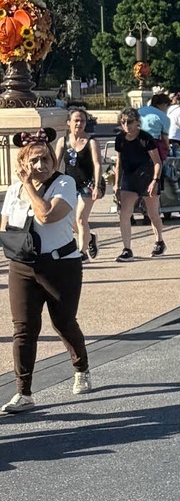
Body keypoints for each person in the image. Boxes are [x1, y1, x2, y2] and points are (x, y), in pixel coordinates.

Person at [2, 128, 91, 413]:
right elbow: (5, 227)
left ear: (54, 161)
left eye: (46, 160)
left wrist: (29, 187)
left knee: (63, 322)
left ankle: (81, 369)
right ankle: (24, 391)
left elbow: (47, 215)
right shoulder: (12, 190)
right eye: (35, 161)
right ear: (22, 164)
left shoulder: (63, 183)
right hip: (23, 266)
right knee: (24, 329)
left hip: (60, 266)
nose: (41, 166)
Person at [111, 108, 166, 260]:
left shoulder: (146, 138)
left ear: (137, 122)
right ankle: (127, 249)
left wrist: (155, 181)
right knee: (125, 214)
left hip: (147, 177)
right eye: (122, 122)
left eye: (129, 122)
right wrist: (116, 184)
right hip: (129, 178)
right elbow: (119, 162)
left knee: (152, 214)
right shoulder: (120, 139)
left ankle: (159, 240)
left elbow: (157, 162)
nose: (126, 125)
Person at [61, 107, 105, 260]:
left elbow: (98, 164)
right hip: (70, 184)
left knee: (81, 218)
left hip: (89, 183)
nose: (79, 124)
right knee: (71, 220)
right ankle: (90, 237)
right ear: (68, 123)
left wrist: (97, 185)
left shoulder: (91, 142)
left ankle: (82, 252)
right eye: (76, 120)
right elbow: (54, 164)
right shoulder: (63, 141)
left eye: (82, 121)